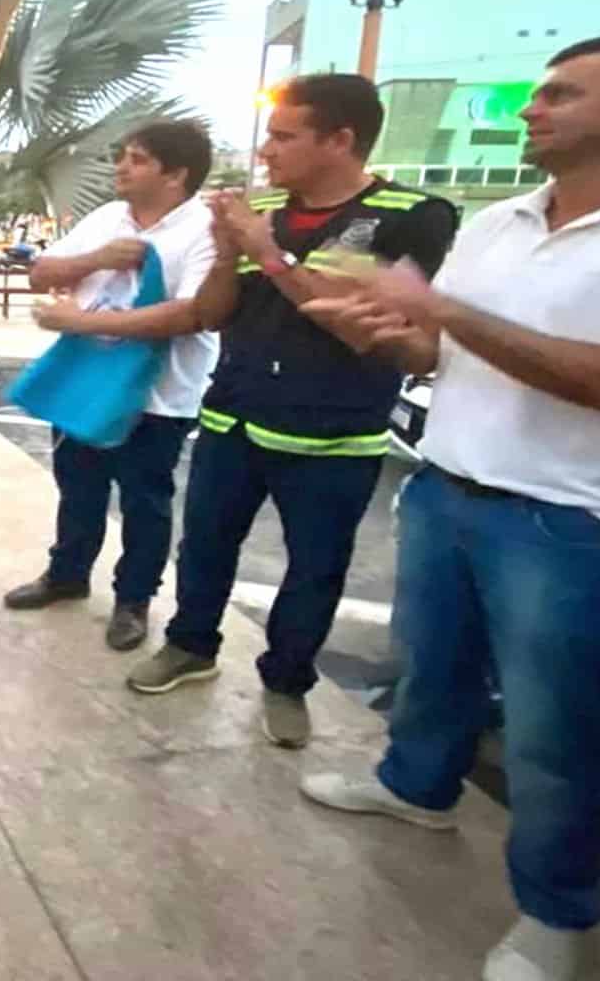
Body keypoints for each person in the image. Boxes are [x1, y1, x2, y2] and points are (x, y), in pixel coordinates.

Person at [292, 35, 600, 981]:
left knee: (549, 737)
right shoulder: (501, 223)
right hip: (448, 488)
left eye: (562, 94)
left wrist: (445, 318)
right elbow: (438, 356)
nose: (530, 110)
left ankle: (557, 913)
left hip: (568, 523)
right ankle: (416, 788)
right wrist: (382, 331)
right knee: (431, 677)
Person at [125, 77, 459, 750]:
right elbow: (215, 312)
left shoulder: (410, 214)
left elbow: (343, 316)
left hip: (334, 433)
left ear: (339, 140)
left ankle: (286, 683)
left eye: (283, 136)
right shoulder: (262, 210)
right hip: (234, 417)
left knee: (315, 566)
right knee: (206, 547)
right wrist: (228, 253)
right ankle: (191, 646)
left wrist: (265, 250)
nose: (266, 151)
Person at [1, 120, 220, 650]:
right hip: (85, 383)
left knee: (145, 502)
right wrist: (97, 259)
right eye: (122, 155)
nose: (121, 167)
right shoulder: (106, 218)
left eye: (138, 159)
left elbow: (191, 314)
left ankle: (133, 600)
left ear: (177, 175)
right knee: (78, 489)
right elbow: (41, 274)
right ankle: (67, 575)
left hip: (159, 396)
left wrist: (83, 324)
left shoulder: (205, 231)